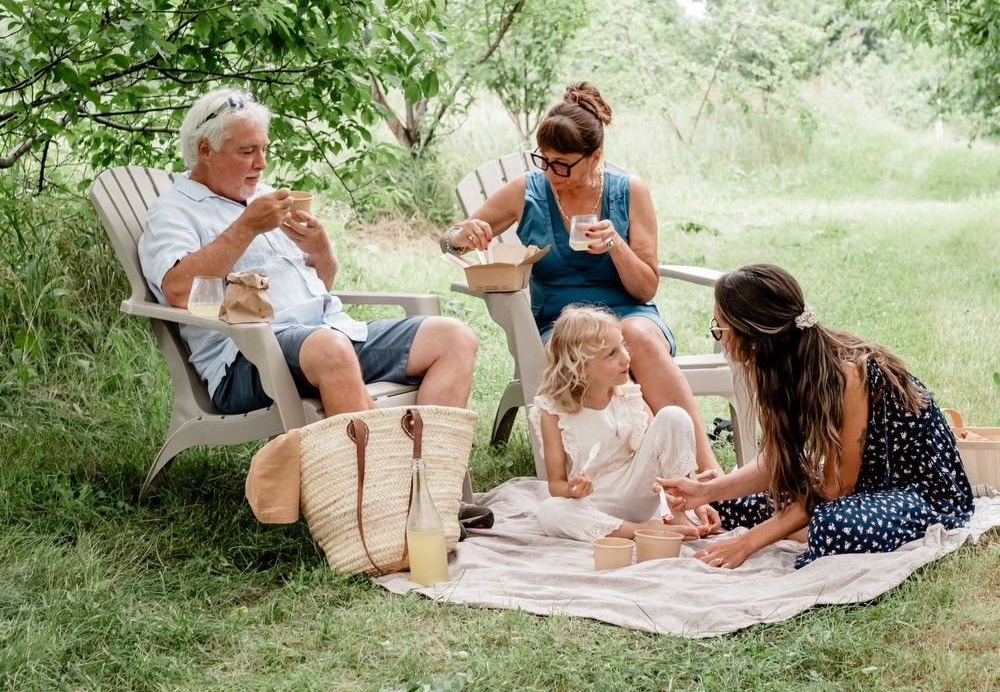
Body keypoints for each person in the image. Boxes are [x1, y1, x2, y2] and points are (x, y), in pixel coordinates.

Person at [139, 88, 477, 417]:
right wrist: (246, 227)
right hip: (247, 356)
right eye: (247, 151)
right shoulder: (174, 211)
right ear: (205, 150)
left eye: (264, 149)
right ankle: (370, 472)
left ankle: (429, 470)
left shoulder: (265, 198)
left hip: (331, 332)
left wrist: (320, 249)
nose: (262, 163)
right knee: (330, 348)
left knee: (454, 338)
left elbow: (323, 285)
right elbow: (179, 290)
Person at [441, 80, 718, 470]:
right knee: (592, 345)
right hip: (563, 324)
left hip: (631, 314)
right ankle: (630, 475)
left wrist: (616, 246)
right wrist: (459, 236)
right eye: (545, 160)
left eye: (563, 164)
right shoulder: (528, 191)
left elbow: (646, 287)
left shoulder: (630, 191)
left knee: (634, 336)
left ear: (595, 156)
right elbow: (453, 239)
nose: (552, 172)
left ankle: (707, 475)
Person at [659, 263, 975, 570]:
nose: (719, 338)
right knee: (726, 506)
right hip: (864, 487)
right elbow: (776, 462)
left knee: (830, 523)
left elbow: (836, 489)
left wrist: (749, 542)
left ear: (754, 337)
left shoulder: (850, 375)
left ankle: (802, 531)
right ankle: (796, 529)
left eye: (720, 329)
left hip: (922, 494)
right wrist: (708, 492)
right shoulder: (778, 373)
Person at [530, 306, 721, 541]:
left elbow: (662, 445)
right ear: (579, 368)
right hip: (597, 501)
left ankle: (678, 512)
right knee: (550, 511)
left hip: (641, 490)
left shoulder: (628, 393)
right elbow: (556, 484)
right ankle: (648, 531)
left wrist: (694, 495)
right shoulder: (552, 411)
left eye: (622, 345)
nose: (626, 357)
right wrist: (572, 489)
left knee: (673, 416)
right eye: (611, 354)